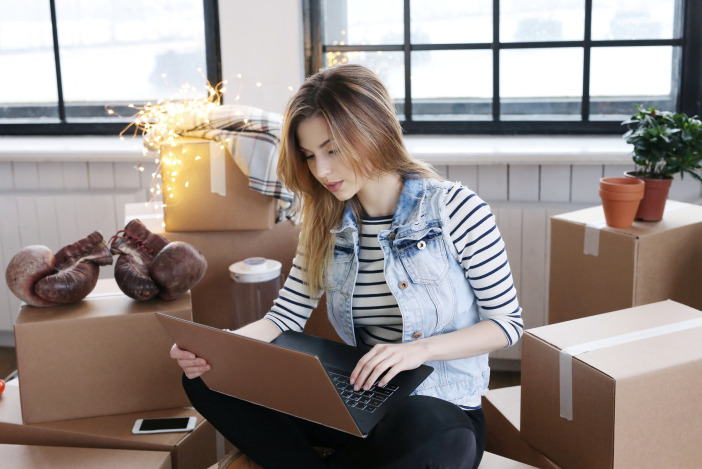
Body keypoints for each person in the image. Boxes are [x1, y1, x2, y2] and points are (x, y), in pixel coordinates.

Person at [170, 64, 524, 469]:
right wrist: (218, 349)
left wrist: (418, 351)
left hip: (437, 407)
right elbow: (284, 318)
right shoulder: (323, 223)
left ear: (372, 131)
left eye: (332, 149)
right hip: (356, 402)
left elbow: (507, 324)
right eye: (309, 156)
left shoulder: (455, 209)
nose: (320, 171)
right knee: (205, 379)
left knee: (433, 432)